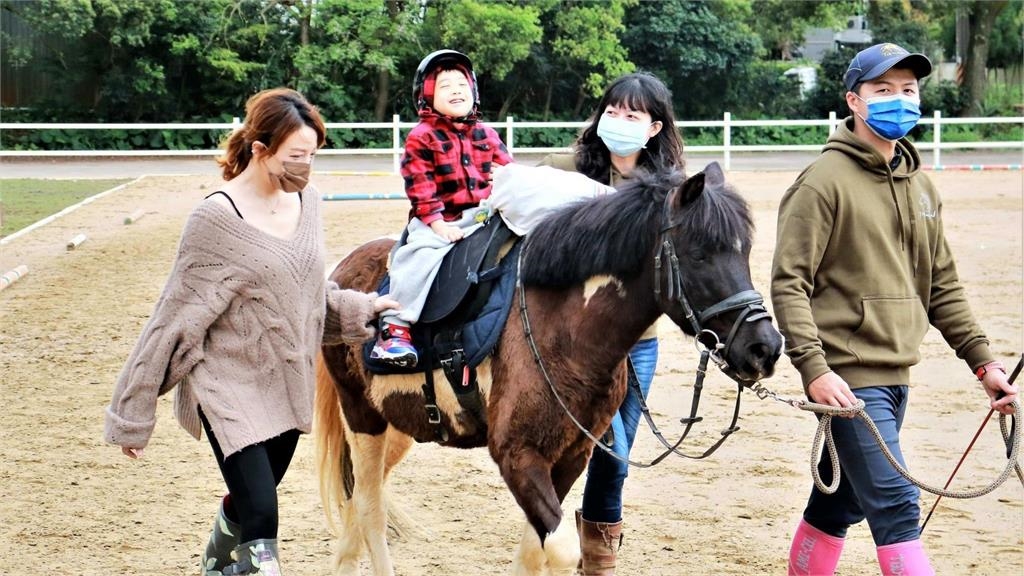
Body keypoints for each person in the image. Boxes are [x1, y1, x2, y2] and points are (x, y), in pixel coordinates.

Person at [103, 88, 398, 576]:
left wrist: (365, 309)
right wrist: (133, 411)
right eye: (296, 156)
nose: (306, 166)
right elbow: (173, 319)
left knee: (249, 500)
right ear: (260, 150)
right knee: (263, 518)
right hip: (225, 384)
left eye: (312, 155)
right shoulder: (216, 218)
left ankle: (215, 563)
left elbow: (306, 298)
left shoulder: (309, 201)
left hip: (284, 384)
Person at [771, 43, 1019, 576]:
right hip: (846, 378)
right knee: (896, 505)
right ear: (854, 102)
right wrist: (814, 370)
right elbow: (789, 284)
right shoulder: (820, 183)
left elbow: (942, 286)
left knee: (842, 502)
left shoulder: (922, 185)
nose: (900, 100)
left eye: (908, 90)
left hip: (897, 372)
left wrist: (985, 364)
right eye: (883, 90)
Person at [538, 71, 685, 575]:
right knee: (604, 445)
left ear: (653, 128)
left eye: (633, 115)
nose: (619, 121)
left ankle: (597, 560)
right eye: (613, 111)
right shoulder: (565, 170)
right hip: (574, 340)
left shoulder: (669, 189)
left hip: (639, 341)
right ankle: (553, 534)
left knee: (615, 458)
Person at [371, 49, 514, 367]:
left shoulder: (487, 135)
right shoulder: (421, 138)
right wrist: (436, 224)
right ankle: (395, 327)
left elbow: (508, 173)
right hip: (441, 218)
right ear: (427, 97)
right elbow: (420, 187)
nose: (456, 90)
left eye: (462, 84)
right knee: (417, 256)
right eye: (445, 85)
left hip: (484, 214)